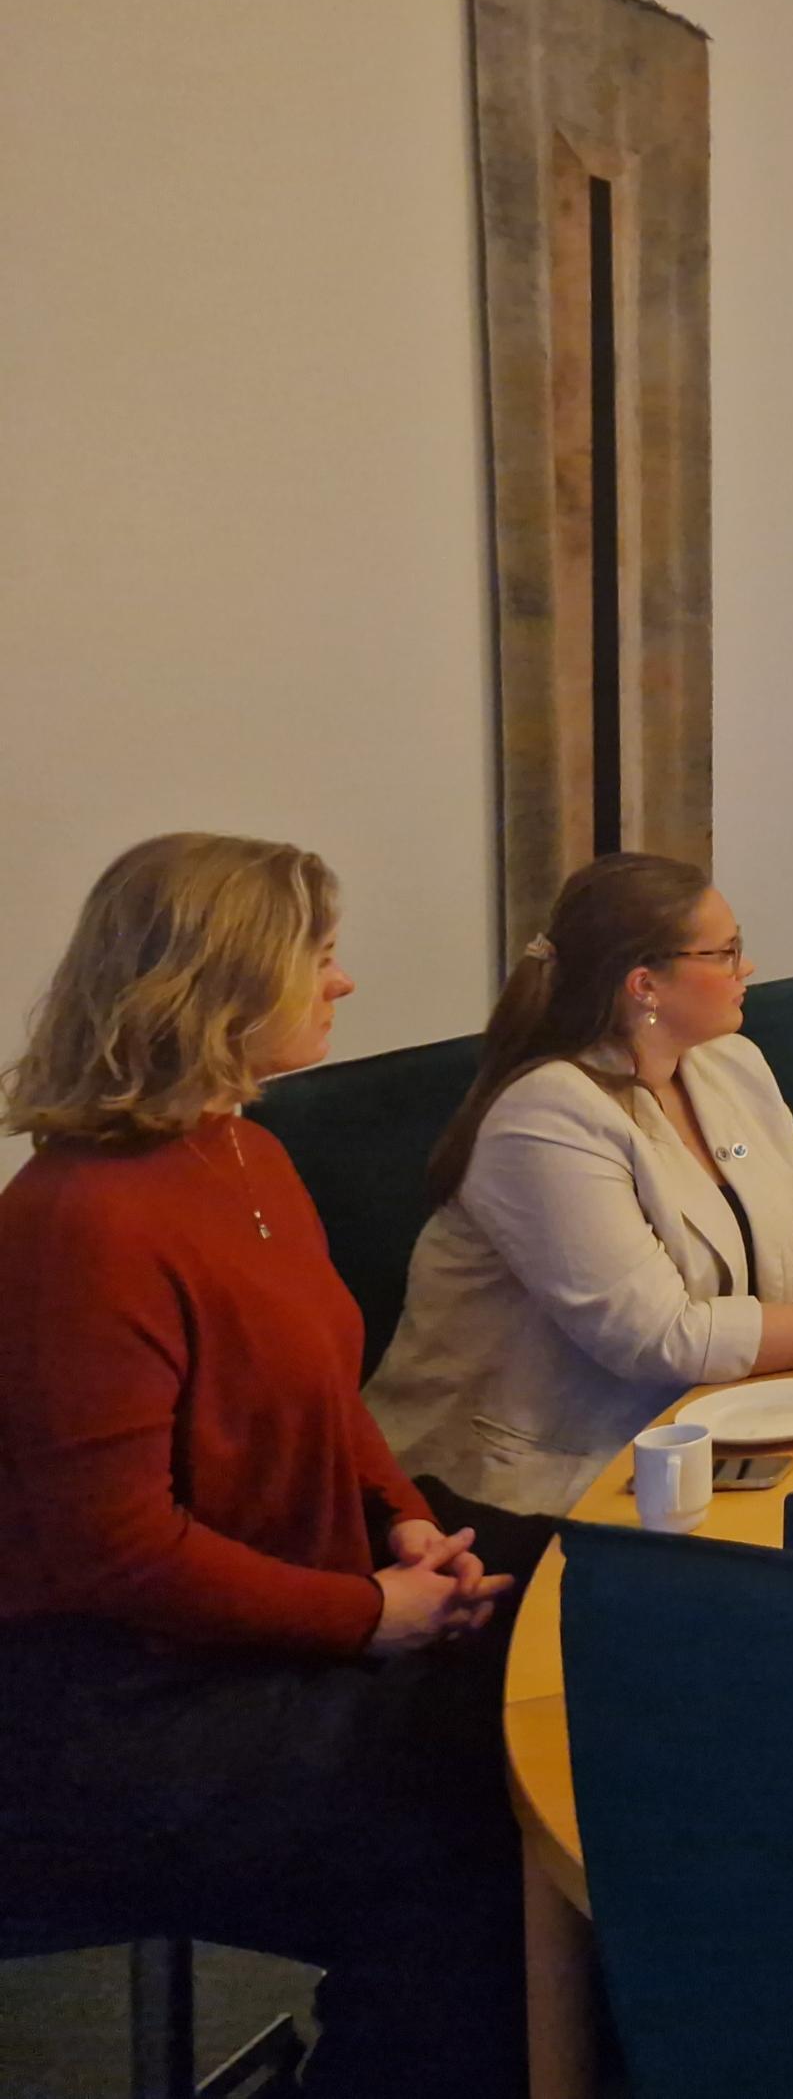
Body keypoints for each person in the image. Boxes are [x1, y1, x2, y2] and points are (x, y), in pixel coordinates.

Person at [0, 836, 526, 2099]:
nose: (341, 984)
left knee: (576, 1628)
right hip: (119, 1703)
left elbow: (328, 1400)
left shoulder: (249, 1155)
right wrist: (363, 1617)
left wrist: (405, 1530)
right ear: (219, 986)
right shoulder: (78, 1221)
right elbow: (118, 1552)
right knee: (477, 1839)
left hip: (265, 1621)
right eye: (320, 957)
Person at [368, 854, 793, 1519]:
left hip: (705, 1435)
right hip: (529, 1484)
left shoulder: (731, 1063)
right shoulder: (548, 1115)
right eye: (727, 952)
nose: (747, 968)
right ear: (645, 984)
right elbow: (659, 1339)